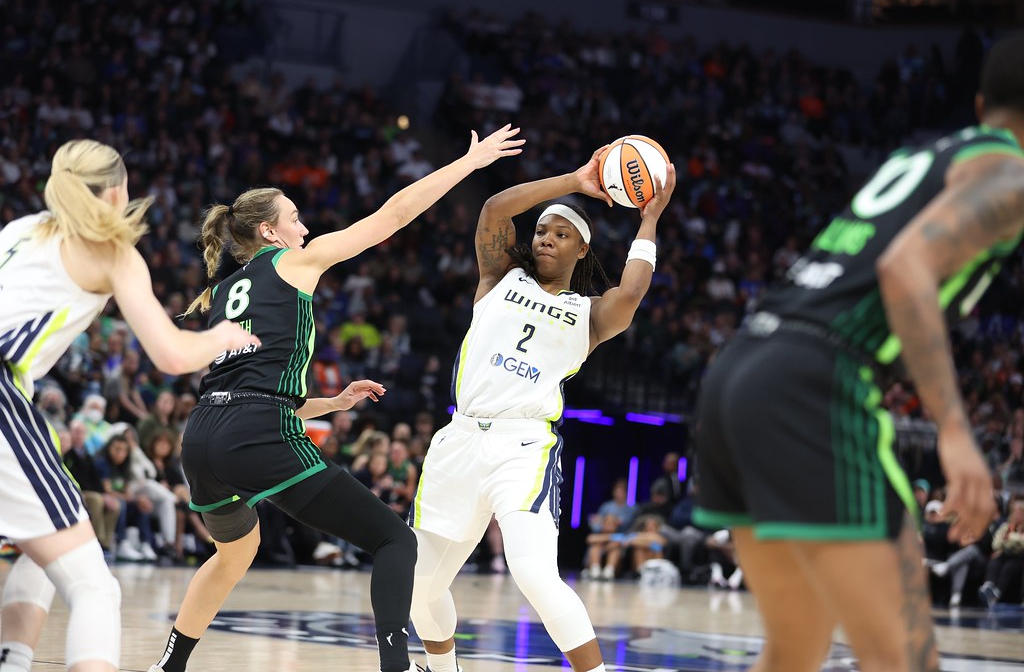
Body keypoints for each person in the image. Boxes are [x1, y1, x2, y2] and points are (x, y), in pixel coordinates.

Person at [693, 33, 1024, 672]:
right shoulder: (1009, 173)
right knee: (904, 663)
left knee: (795, 650)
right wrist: (955, 431)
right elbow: (905, 269)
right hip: (813, 380)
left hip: (742, 363)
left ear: (983, 104)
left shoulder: (929, 153)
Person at [147, 124, 523, 672]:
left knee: (234, 554)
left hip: (202, 437)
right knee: (395, 541)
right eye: (295, 218)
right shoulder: (295, 262)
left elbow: (245, 381)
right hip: (255, 432)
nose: (306, 227)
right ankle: (396, 667)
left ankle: (169, 665)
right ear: (271, 232)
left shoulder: (226, 290)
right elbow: (391, 217)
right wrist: (469, 162)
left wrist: (328, 404)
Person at [409, 146, 676, 672]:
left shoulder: (590, 315)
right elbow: (493, 210)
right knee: (418, 587)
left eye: (561, 234)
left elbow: (633, 291)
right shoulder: (499, 278)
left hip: (523, 447)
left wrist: (650, 218)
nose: (546, 238)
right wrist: (576, 180)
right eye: (541, 232)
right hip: (460, 439)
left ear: (582, 250)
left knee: (532, 572)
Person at [0, 139, 258, 672]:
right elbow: (170, 354)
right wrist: (223, 337)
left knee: (39, 543)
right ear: (117, 191)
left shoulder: (20, 231)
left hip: (14, 398)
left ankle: (14, 658)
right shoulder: (113, 252)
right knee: (95, 589)